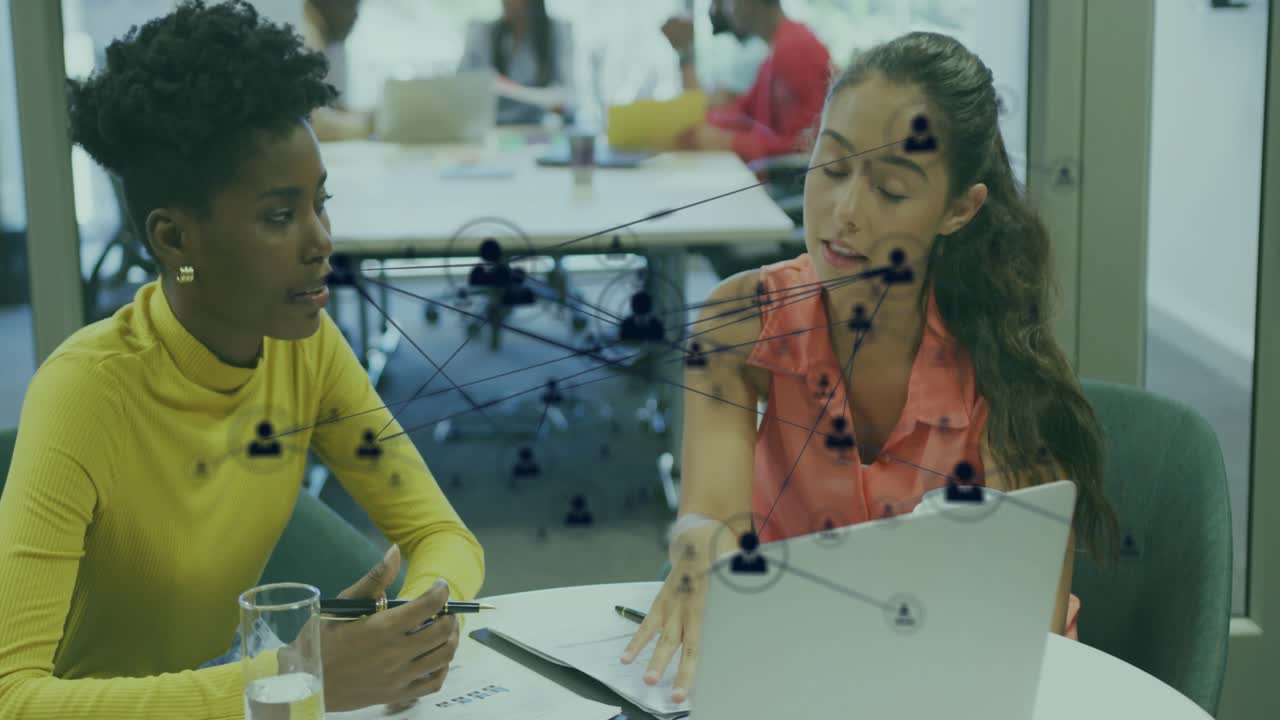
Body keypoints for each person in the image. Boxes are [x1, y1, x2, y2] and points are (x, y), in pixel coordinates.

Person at [0, 2, 484, 717]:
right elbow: (15, 699)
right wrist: (290, 680)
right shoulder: (86, 393)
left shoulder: (305, 346)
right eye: (279, 216)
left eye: (321, 203)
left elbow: (441, 535)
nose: (321, 240)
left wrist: (410, 623)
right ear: (173, 239)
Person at [621, 31, 1121, 704]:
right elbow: (708, 515)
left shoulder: (1007, 368)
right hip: (795, 674)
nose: (844, 213)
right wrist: (698, 544)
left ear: (959, 210)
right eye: (830, 169)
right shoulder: (741, 319)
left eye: (890, 189)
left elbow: (1020, 628)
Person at [670, 0, 831, 163]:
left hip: (783, 183)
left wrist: (730, 142)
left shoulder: (794, 49)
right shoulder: (775, 52)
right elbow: (741, 112)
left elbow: (806, 146)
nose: (725, 10)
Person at [458, 0, 576, 125]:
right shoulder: (484, 32)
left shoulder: (555, 31)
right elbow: (460, 87)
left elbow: (569, 98)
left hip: (538, 126)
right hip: (492, 126)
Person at [660, 0, 770, 111]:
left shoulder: (757, 51)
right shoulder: (726, 45)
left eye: (722, 2)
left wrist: (684, 49)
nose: (713, 10)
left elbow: (710, 107)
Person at [300, 0, 375, 141]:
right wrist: (373, 123)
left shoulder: (331, 39)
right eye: (349, 4)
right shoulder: (304, 34)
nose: (355, 15)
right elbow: (313, 125)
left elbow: (336, 108)